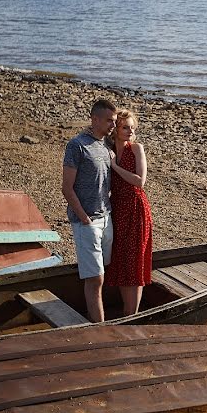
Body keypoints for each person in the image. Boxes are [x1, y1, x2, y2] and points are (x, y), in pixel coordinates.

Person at [61, 98, 117, 322]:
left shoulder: (106, 145)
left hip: (106, 217)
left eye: (114, 121)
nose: (112, 125)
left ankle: (97, 316)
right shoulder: (77, 146)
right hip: (87, 221)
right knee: (95, 279)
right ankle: (99, 329)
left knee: (102, 270)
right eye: (109, 121)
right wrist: (83, 217)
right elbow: (66, 187)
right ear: (95, 119)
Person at [107, 109, 153, 315]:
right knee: (119, 256)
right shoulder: (106, 148)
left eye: (133, 128)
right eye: (125, 127)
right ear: (115, 128)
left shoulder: (136, 149)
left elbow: (139, 181)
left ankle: (131, 313)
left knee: (134, 258)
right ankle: (128, 311)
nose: (130, 131)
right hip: (116, 208)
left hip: (135, 208)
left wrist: (114, 166)